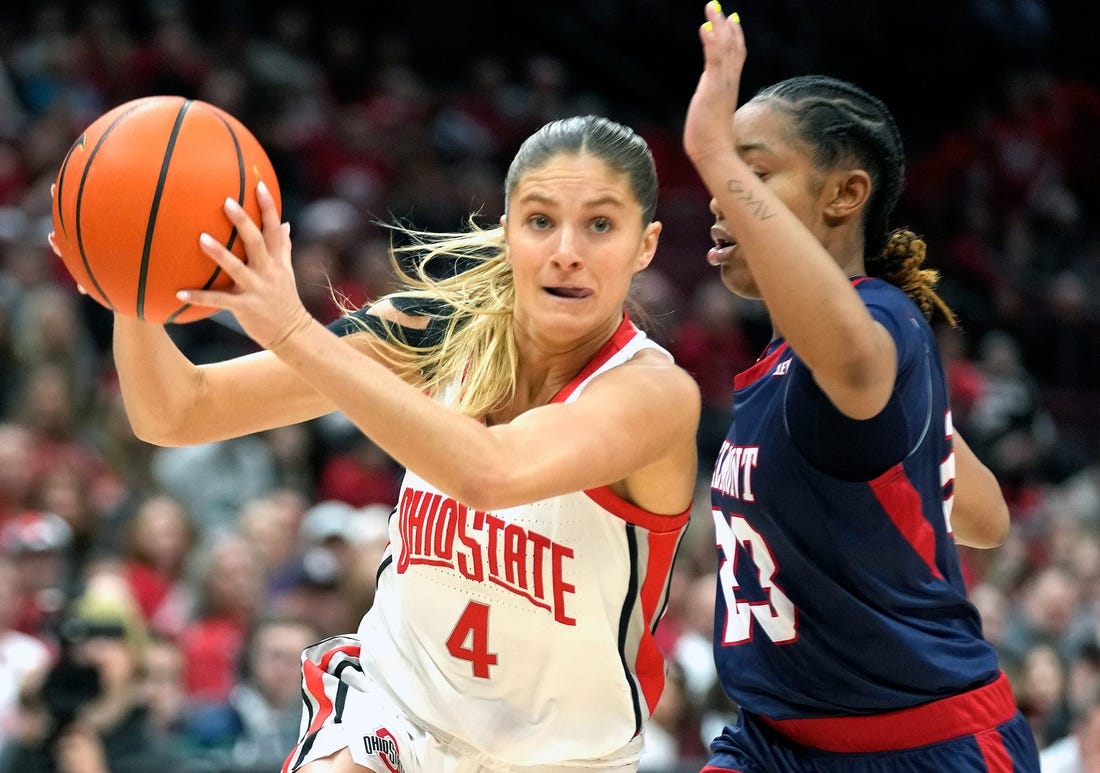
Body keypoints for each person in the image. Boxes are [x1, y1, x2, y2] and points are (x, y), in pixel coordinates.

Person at [60, 113, 700, 771]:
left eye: (600, 224)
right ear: (508, 231)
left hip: (564, 758)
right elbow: (176, 411)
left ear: (645, 245)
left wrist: (291, 330)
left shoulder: (652, 397)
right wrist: (129, 276)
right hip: (395, 716)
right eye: (540, 220)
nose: (567, 249)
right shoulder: (426, 331)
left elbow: (490, 473)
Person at [681, 3, 1041, 770]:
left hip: (923, 743)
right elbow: (983, 514)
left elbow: (852, 361)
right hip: (773, 741)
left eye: (754, 169)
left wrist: (713, 144)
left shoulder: (880, 325)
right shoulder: (792, 363)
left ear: (843, 194)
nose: (719, 191)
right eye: (724, 169)